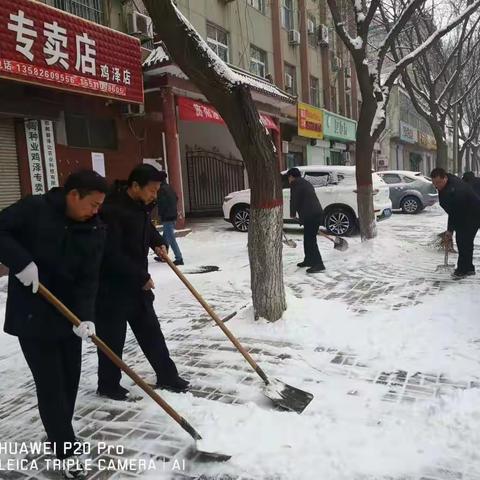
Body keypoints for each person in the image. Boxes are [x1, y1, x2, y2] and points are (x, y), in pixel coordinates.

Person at [0, 170, 108, 479]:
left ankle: (60, 432)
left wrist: (87, 316)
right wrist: (20, 261)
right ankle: (66, 448)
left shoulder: (94, 227)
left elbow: (90, 278)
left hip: (68, 317)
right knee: (51, 385)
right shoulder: (34, 209)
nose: (96, 211)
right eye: (93, 204)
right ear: (74, 195)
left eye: (100, 205)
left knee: (69, 381)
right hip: (33, 316)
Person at [96, 164, 189, 400]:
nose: (154, 195)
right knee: (111, 339)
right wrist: (141, 276)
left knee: (151, 331)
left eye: (158, 190)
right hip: (111, 288)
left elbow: (145, 228)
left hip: (136, 286)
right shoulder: (111, 210)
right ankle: (108, 385)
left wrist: (157, 242)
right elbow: (110, 253)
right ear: (135, 186)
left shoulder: (140, 206)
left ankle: (167, 375)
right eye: (152, 189)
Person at [431, 167, 480, 277]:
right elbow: (453, 212)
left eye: (438, 182)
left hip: (473, 215)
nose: (436, 186)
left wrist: (450, 231)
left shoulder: (456, 191)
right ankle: (468, 268)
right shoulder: (448, 181)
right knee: (465, 241)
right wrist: (450, 230)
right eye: (434, 182)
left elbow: (455, 213)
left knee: (463, 241)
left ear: (445, 178)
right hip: (466, 212)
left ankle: (463, 270)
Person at [287, 167, 325, 274]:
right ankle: (308, 260)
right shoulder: (305, 182)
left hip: (311, 215)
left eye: (288, 178)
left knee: (310, 241)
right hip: (314, 213)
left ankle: (319, 264)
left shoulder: (295, 184)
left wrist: (292, 213)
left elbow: (294, 199)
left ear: (291, 176)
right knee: (307, 239)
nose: (288, 180)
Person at [155, 171, 184, 266]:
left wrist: (161, 213)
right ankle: (163, 256)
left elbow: (161, 204)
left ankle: (179, 258)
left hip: (167, 217)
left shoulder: (161, 189)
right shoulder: (169, 188)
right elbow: (176, 198)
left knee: (170, 238)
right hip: (172, 215)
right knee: (165, 238)